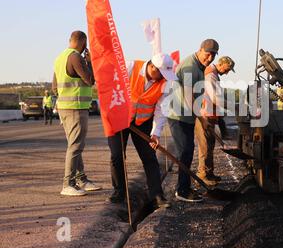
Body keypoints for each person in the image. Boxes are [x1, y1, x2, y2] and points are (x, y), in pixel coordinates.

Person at [107, 54, 177, 209]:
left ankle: (157, 195)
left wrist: (156, 133)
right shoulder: (130, 67)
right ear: (152, 67)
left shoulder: (165, 83)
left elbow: (161, 109)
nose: (163, 78)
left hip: (142, 122)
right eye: (161, 74)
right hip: (119, 119)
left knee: (149, 157)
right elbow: (108, 83)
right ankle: (119, 191)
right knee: (117, 155)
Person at [168, 39, 219, 203]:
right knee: (185, 151)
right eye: (207, 54)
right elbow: (189, 97)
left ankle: (185, 187)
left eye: (213, 55)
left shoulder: (200, 66)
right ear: (200, 49)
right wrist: (202, 118)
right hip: (178, 116)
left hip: (187, 116)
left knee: (188, 152)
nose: (209, 58)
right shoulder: (190, 66)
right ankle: (181, 190)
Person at [52, 31, 101, 196]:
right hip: (76, 107)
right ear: (83, 42)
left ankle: (81, 179)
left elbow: (54, 87)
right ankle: (68, 183)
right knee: (75, 146)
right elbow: (90, 80)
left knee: (74, 145)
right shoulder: (75, 57)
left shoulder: (60, 58)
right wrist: (90, 62)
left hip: (64, 108)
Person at [195, 56, 235, 186]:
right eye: (227, 69)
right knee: (205, 147)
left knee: (210, 146)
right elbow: (214, 98)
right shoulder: (210, 74)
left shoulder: (214, 75)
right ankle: (203, 175)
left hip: (211, 116)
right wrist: (234, 105)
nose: (227, 72)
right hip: (205, 116)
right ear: (221, 64)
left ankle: (209, 173)